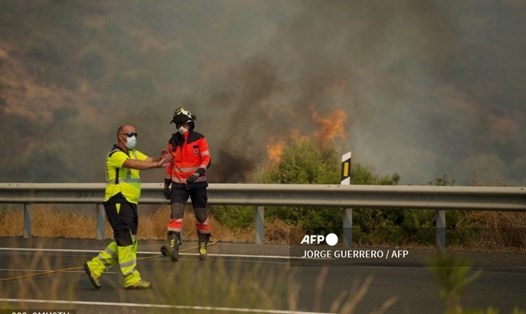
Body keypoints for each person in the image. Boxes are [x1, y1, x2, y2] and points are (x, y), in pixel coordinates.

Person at [84, 124, 172, 290]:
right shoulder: (115, 155)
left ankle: (95, 266)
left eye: (135, 134)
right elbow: (135, 165)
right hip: (118, 200)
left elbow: (146, 160)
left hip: (129, 202)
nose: (134, 137)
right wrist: (157, 165)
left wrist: (159, 158)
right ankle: (131, 278)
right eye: (130, 134)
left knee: (127, 240)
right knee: (125, 240)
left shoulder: (132, 152)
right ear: (120, 137)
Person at [161, 107, 211, 262]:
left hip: (197, 184)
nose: (180, 127)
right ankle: (173, 247)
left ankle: (202, 245)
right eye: (177, 124)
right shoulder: (173, 141)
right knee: (175, 215)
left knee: (201, 215)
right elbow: (170, 164)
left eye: (183, 123)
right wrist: (167, 183)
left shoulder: (199, 139)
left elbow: (206, 160)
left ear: (190, 123)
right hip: (178, 184)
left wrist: (197, 174)